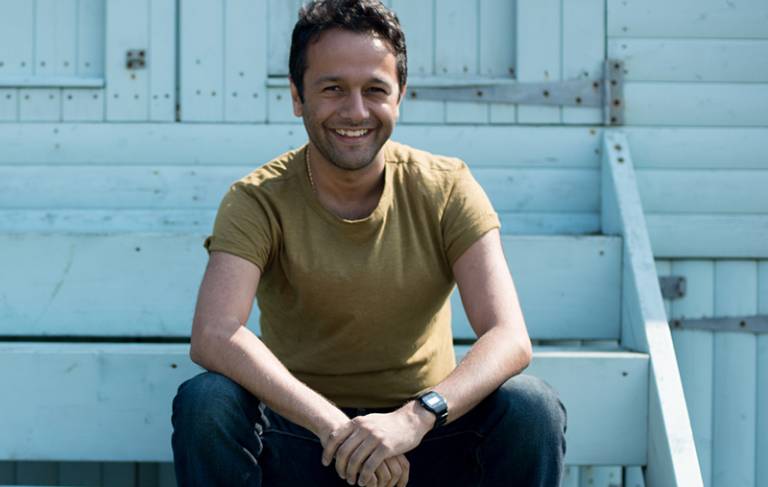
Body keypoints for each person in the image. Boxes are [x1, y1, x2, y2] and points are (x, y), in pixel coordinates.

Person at [171, 1, 566, 485]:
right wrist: (337, 428)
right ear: (297, 97)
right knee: (206, 401)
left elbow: (509, 337)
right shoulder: (257, 199)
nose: (355, 111)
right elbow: (214, 333)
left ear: (400, 96)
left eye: (375, 90)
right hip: (305, 439)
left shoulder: (447, 187)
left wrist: (412, 419)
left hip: (422, 440)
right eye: (333, 88)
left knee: (531, 406)